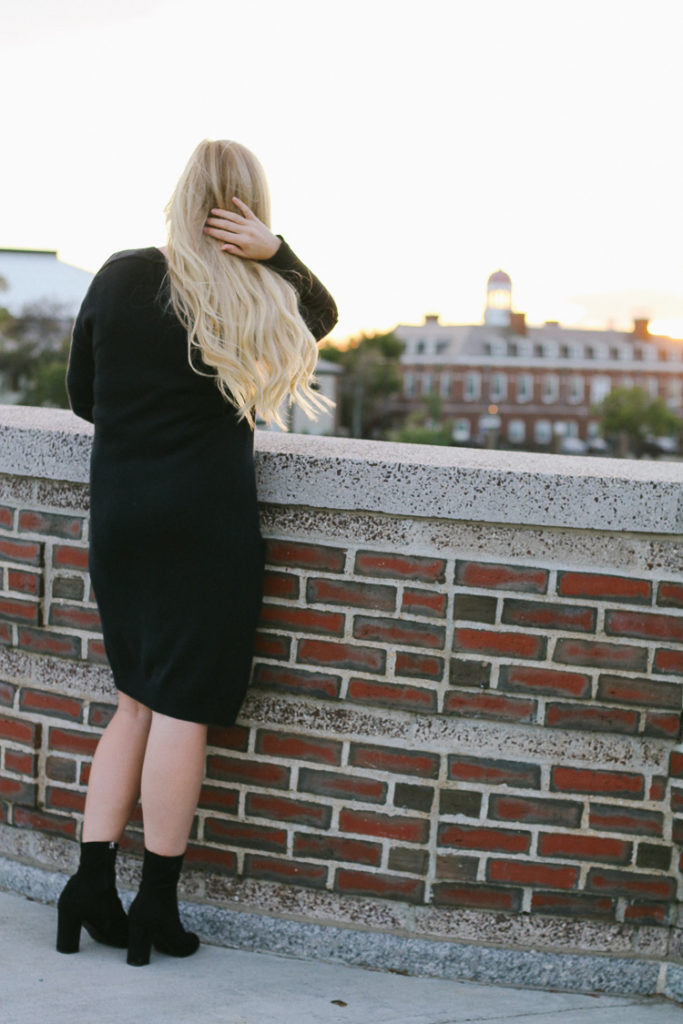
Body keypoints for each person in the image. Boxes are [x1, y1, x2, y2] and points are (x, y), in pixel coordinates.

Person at [56, 138, 338, 967]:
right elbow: (321, 317)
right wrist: (276, 256)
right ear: (248, 212)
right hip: (205, 525)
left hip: (122, 519)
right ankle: (156, 909)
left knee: (133, 703)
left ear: (180, 197)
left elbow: (84, 398)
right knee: (183, 713)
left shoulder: (118, 274)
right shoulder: (255, 293)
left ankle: (89, 889)